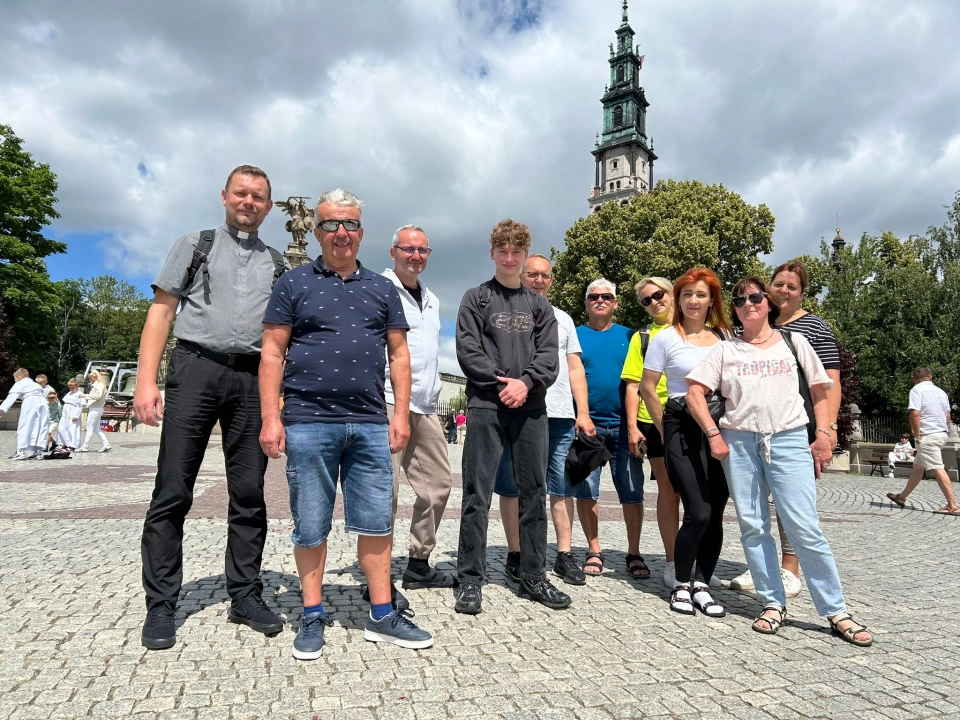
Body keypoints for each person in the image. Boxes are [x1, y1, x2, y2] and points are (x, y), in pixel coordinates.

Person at [261, 188, 433, 660]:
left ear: (361, 231)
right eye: (331, 224)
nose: (342, 232)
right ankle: (312, 613)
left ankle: (382, 614)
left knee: (376, 523)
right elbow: (272, 351)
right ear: (317, 232)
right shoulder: (293, 283)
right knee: (310, 524)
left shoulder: (382, 288)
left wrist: (400, 414)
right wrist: (271, 417)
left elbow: (399, 355)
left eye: (350, 224)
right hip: (307, 421)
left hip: (370, 422)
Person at [135, 165, 285, 651]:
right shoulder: (194, 245)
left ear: (269, 206)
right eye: (241, 193)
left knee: (249, 493)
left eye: (258, 197)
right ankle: (161, 603)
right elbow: (162, 311)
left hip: (251, 378)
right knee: (173, 489)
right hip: (195, 369)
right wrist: (146, 381)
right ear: (224, 196)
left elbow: (282, 339)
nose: (248, 202)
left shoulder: (277, 263)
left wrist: (278, 399)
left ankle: (244, 594)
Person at [686, 276, 873, 646]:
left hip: (788, 439)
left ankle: (836, 610)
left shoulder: (794, 341)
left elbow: (820, 391)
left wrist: (824, 433)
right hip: (740, 442)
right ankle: (772, 603)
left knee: (804, 527)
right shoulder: (725, 349)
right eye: (739, 300)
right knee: (753, 526)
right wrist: (712, 433)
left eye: (755, 297)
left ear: (768, 302)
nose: (748, 304)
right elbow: (694, 392)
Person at [454, 219, 566, 614]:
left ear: (524, 255)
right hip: (486, 405)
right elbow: (468, 350)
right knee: (477, 494)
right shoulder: (476, 298)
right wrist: (502, 383)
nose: (508, 258)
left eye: (516, 252)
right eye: (502, 251)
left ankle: (533, 575)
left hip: (530, 408)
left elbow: (549, 356)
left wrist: (526, 383)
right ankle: (470, 578)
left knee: (534, 493)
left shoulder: (539, 305)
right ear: (492, 253)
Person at [728, 261, 844, 597]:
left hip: (798, 424)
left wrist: (828, 429)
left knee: (792, 504)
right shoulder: (752, 321)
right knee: (756, 502)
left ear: (802, 293)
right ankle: (764, 569)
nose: (784, 291)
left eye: (792, 287)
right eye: (778, 284)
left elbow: (830, 383)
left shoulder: (813, 328)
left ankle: (790, 568)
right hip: (753, 428)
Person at [494, 254, 594, 586]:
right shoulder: (507, 314)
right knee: (512, 484)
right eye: (533, 274)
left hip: (560, 413)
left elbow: (575, 367)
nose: (539, 280)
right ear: (521, 275)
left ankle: (564, 554)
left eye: (545, 275)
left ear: (551, 280)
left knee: (561, 485)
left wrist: (583, 412)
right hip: (518, 411)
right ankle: (516, 552)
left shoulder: (563, 318)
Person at [640, 268, 729, 617]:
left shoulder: (723, 338)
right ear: (678, 300)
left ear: (711, 300)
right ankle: (680, 583)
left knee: (716, 512)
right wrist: (665, 429)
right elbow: (647, 387)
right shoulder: (665, 338)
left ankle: (702, 585)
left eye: (701, 294)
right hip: (680, 425)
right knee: (698, 512)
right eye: (687, 294)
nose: (693, 301)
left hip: (718, 426)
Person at [382, 224, 457, 591]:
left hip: (425, 404)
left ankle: (418, 563)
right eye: (408, 249)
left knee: (438, 485)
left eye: (422, 250)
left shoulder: (432, 299)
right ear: (393, 252)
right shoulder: (378, 288)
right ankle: (377, 574)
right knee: (386, 491)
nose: (415, 256)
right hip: (386, 399)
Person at [573, 279, 646, 580]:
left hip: (625, 427)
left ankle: (634, 552)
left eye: (606, 296)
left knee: (632, 491)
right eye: (593, 297)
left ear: (616, 303)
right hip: (588, 426)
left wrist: (635, 426)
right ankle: (594, 549)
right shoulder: (575, 336)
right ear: (586, 303)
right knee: (586, 490)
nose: (600, 300)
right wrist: (579, 416)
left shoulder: (631, 336)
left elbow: (639, 382)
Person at [621, 277, 682, 587]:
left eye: (658, 295)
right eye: (646, 300)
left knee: (699, 492)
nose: (654, 302)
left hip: (696, 417)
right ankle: (673, 562)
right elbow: (633, 385)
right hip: (654, 420)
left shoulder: (697, 327)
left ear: (671, 293)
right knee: (669, 489)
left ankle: (697, 559)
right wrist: (633, 427)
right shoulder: (642, 337)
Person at [887, 367, 958, 514]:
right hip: (941, 434)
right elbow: (948, 416)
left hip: (927, 436)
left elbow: (914, 413)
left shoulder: (917, 390)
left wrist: (917, 435)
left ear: (914, 379)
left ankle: (952, 505)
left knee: (937, 468)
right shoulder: (941, 392)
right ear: (930, 377)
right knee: (918, 467)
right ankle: (901, 497)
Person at [0, 369, 48, 460]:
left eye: (15, 379)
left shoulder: (20, 383)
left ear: (18, 377)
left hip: (30, 401)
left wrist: (1, 409)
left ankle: (20, 451)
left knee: (24, 425)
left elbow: (12, 396)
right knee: (39, 426)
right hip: (43, 402)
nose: (15, 381)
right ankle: (38, 452)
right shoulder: (36, 385)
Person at [78, 370, 111, 453]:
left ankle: (85, 446)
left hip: (95, 408)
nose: (90, 380)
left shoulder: (99, 385)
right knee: (97, 429)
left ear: (96, 377)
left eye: (91, 378)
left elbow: (98, 396)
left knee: (89, 428)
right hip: (97, 408)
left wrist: (85, 396)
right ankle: (106, 444)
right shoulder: (98, 385)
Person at [59, 379, 84, 449]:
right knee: (62, 428)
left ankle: (73, 444)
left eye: (73, 388)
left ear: (77, 386)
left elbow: (80, 406)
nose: (71, 389)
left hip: (73, 411)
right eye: (70, 388)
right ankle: (66, 442)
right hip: (66, 411)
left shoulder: (79, 394)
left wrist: (76, 415)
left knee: (72, 429)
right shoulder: (69, 393)